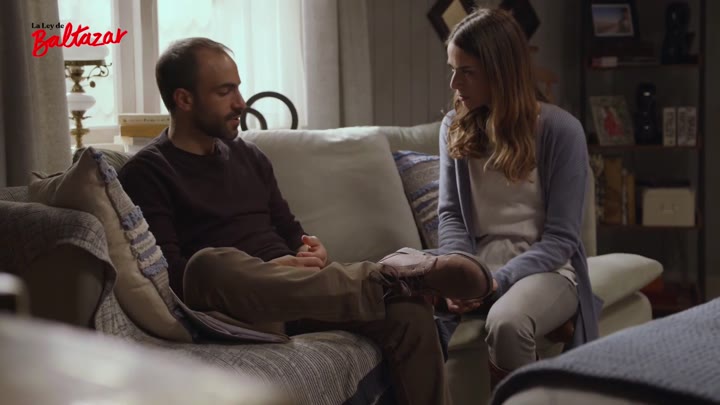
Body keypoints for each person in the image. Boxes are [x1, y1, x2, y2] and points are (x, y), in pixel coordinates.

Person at [117, 37, 494, 405]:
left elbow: (291, 230)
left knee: (408, 312)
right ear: (184, 100)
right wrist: (270, 270)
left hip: (293, 296)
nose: (240, 102)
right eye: (224, 91)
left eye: (238, 88)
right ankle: (391, 277)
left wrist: (310, 249)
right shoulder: (148, 173)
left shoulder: (249, 156)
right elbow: (171, 279)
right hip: (229, 305)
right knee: (205, 266)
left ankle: (392, 282)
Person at [437, 8, 602, 389]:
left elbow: (562, 239)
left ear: (500, 72)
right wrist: (461, 274)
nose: (454, 83)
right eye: (452, 69)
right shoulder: (453, 127)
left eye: (466, 71)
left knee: (508, 322)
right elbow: (452, 216)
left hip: (548, 270)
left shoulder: (561, 130)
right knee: (399, 294)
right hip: (478, 266)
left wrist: (498, 281)